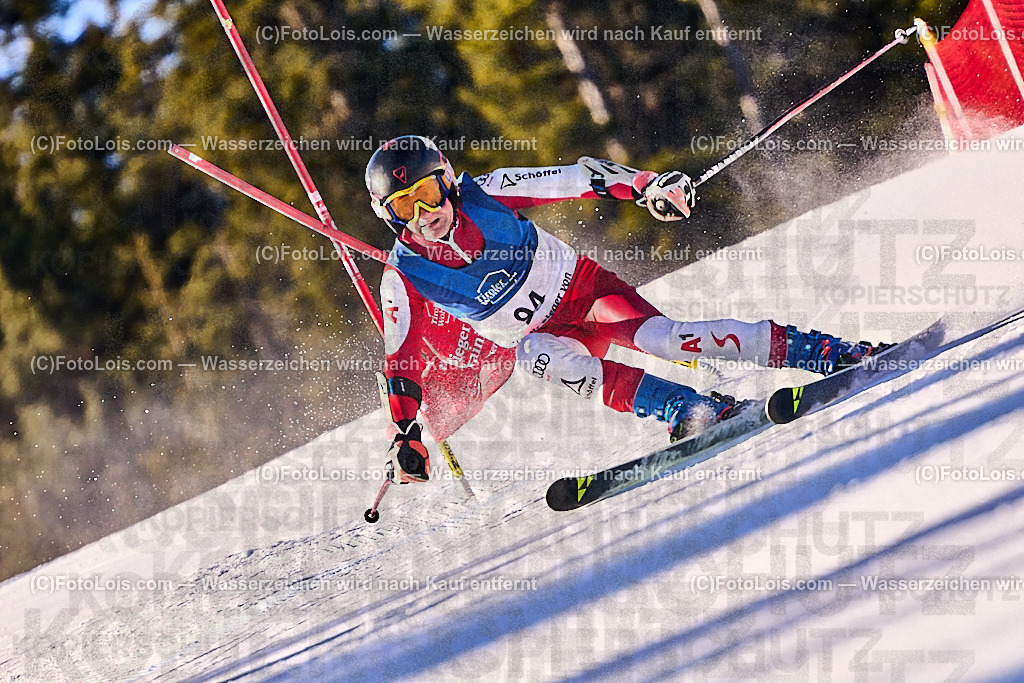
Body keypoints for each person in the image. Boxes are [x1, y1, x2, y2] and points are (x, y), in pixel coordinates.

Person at [369, 136, 885, 483]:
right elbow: (402, 361)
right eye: (404, 206)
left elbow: (578, 177)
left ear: (447, 179)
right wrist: (405, 435)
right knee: (535, 355)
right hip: (548, 337)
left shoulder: (489, 192)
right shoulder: (404, 276)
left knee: (667, 339)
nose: (424, 213)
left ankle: (824, 351)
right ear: (388, 216)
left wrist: (646, 186)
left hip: (587, 296)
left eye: (428, 193)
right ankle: (686, 409)